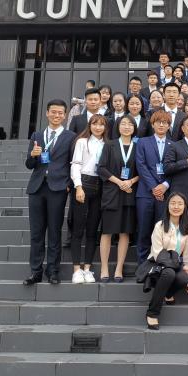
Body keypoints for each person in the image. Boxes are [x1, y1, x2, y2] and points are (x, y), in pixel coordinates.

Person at [23, 99, 76, 285]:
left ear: (65, 115)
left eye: (60, 113)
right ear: (47, 113)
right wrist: (32, 155)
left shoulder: (71, 136)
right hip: (37, 188)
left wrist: (69, 184)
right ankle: (35, 271)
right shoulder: (37, 135)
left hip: (58, 188)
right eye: (53, 112)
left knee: (54, 231)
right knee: (36, 233)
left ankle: (53, 271)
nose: (56, 115)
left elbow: (73, 163)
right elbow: (29, 165)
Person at [98, 115, 139, 282]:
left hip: (129, 193)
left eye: (130, 124)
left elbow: (143, 170)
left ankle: (119, 269)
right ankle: (104, 268)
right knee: (107, 231)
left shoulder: (138, 146)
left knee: (124, 232)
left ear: (134, 128)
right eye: (123, 123)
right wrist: (119, 182)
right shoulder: (110, 145)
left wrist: (130, 181)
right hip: (112, 192)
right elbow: (101, 168)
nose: (127, 126)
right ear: (118, 126)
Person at [69, 114, 107, 284]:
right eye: (95, 124)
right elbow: (75, 165)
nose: (98, 127)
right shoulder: (82, 142)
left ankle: (87, 269)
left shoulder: (108, 144)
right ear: (89, 126)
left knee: (92, 230)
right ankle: (76, 269)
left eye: (101, 125)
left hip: (100, 185)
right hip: (83, 183)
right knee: (78, 229)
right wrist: (78, 186)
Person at [145, 192, 188, 330]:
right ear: (168, 206)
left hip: (175, 263)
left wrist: (187, 267)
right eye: (173, 203)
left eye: (180, 203)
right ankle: (152, 313)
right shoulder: (160, 225)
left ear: (184, 207)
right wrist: (172, 265)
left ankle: (168, 294)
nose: (176, 207)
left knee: (183, 279)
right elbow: (157, 251)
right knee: (169, 273)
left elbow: (186, 254)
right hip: (159, 262)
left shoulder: (187, 228)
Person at [135, 110, 174, 263]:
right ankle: (142, 265)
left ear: (169, 126)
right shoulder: (143, 142)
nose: (161, 125)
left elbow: (174, 168)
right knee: (143, 230)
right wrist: (154, 187)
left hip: (165, 194)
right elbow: (141, 165)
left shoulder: (174, 145)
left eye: (165, 122)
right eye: (158, 122)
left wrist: (164, 185)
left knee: (162, 232)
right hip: (145, 193)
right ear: (152, 124)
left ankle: (159, 265)